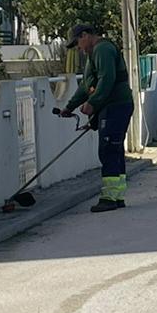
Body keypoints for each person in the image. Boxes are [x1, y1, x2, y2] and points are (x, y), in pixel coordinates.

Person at [60, 22, 135, 214]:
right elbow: (87, 86)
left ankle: (110, 197)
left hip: (116, 106)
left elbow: (106, 80)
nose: (78, 48)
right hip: (111, 108)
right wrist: (70, 107)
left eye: (78, 43)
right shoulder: (94, 54)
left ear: (85, 35)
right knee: (114, 150)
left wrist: (92, 103)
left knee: (109, 149)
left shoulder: (103, 50)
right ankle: (116, 196)